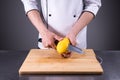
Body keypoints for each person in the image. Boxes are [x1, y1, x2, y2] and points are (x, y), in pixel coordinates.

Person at [21, 0, 101, 49]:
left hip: (75, 42)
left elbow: (93, 3)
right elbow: (29, 2)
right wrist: (44, 32)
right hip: (48, 43)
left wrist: (73, 32)